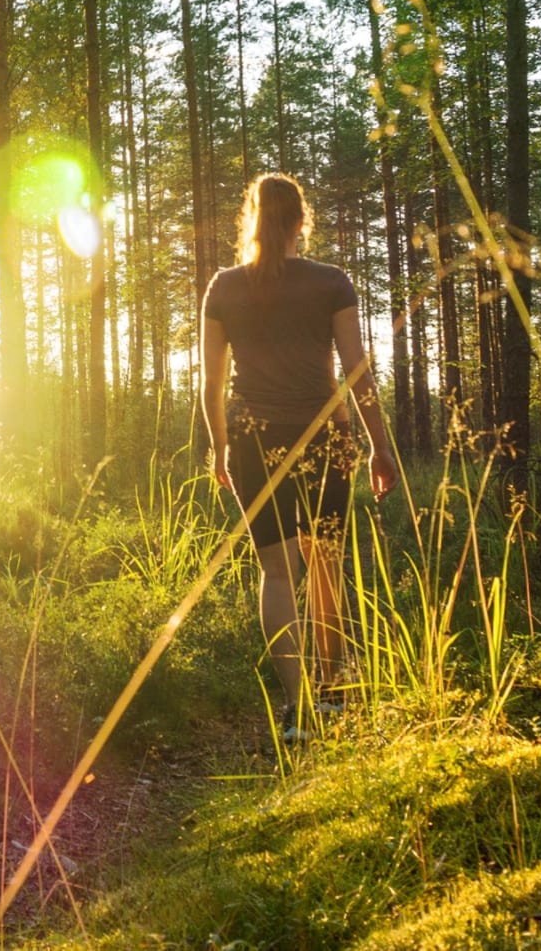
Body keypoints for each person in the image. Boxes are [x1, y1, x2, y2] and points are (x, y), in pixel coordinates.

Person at [200, 172, 399, 741]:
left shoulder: (224, 287)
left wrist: (220, 446)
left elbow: (211, 386)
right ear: (300, 221)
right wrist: (379, 448)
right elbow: (357, 370)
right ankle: (332, 696)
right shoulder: (331, 282)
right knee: (327, 563)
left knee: (278, 571)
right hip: (326, 439)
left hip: (253, 441)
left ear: (252, 219)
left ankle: (297, 712)